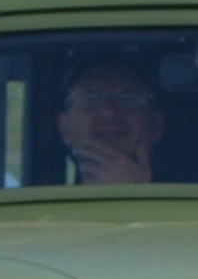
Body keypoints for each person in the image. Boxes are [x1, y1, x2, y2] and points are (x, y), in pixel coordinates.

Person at [54, 55, 167, 186]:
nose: (109, 112)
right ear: (64, 129)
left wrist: (138, 194)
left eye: (127, 99)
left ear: (156, 126)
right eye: (90, 99)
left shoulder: (187, 203)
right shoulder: (39, 204)